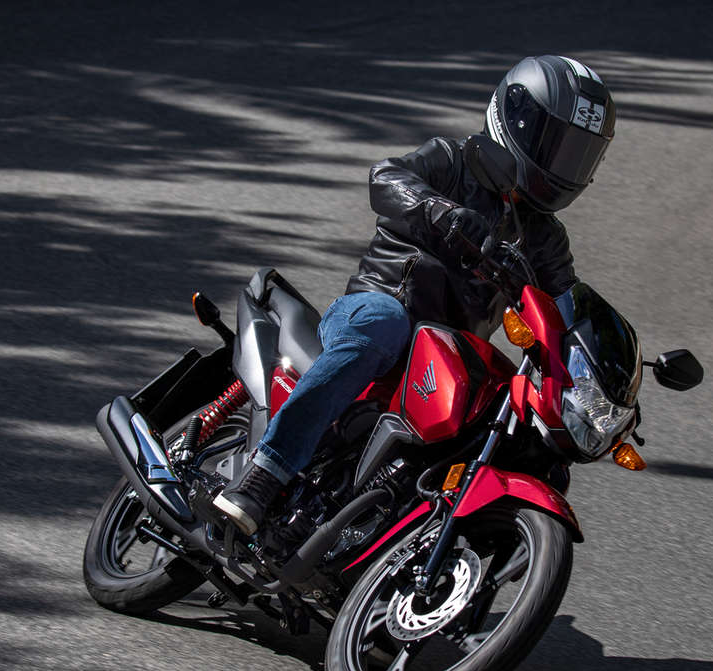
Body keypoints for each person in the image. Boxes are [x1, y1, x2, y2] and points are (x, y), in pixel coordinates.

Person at [210, 54, 617, 536]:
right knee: (385, 323)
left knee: (505, 417)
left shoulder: (546, 239)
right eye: (558, 148)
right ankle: (265, 472)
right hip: (378, 303)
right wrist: (438, 211)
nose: (563, 166)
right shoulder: (453, 160)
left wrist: (606, 373)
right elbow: (385, 177)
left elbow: (566, 307)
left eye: (577, 155)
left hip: (442, 355)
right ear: (518, 121)